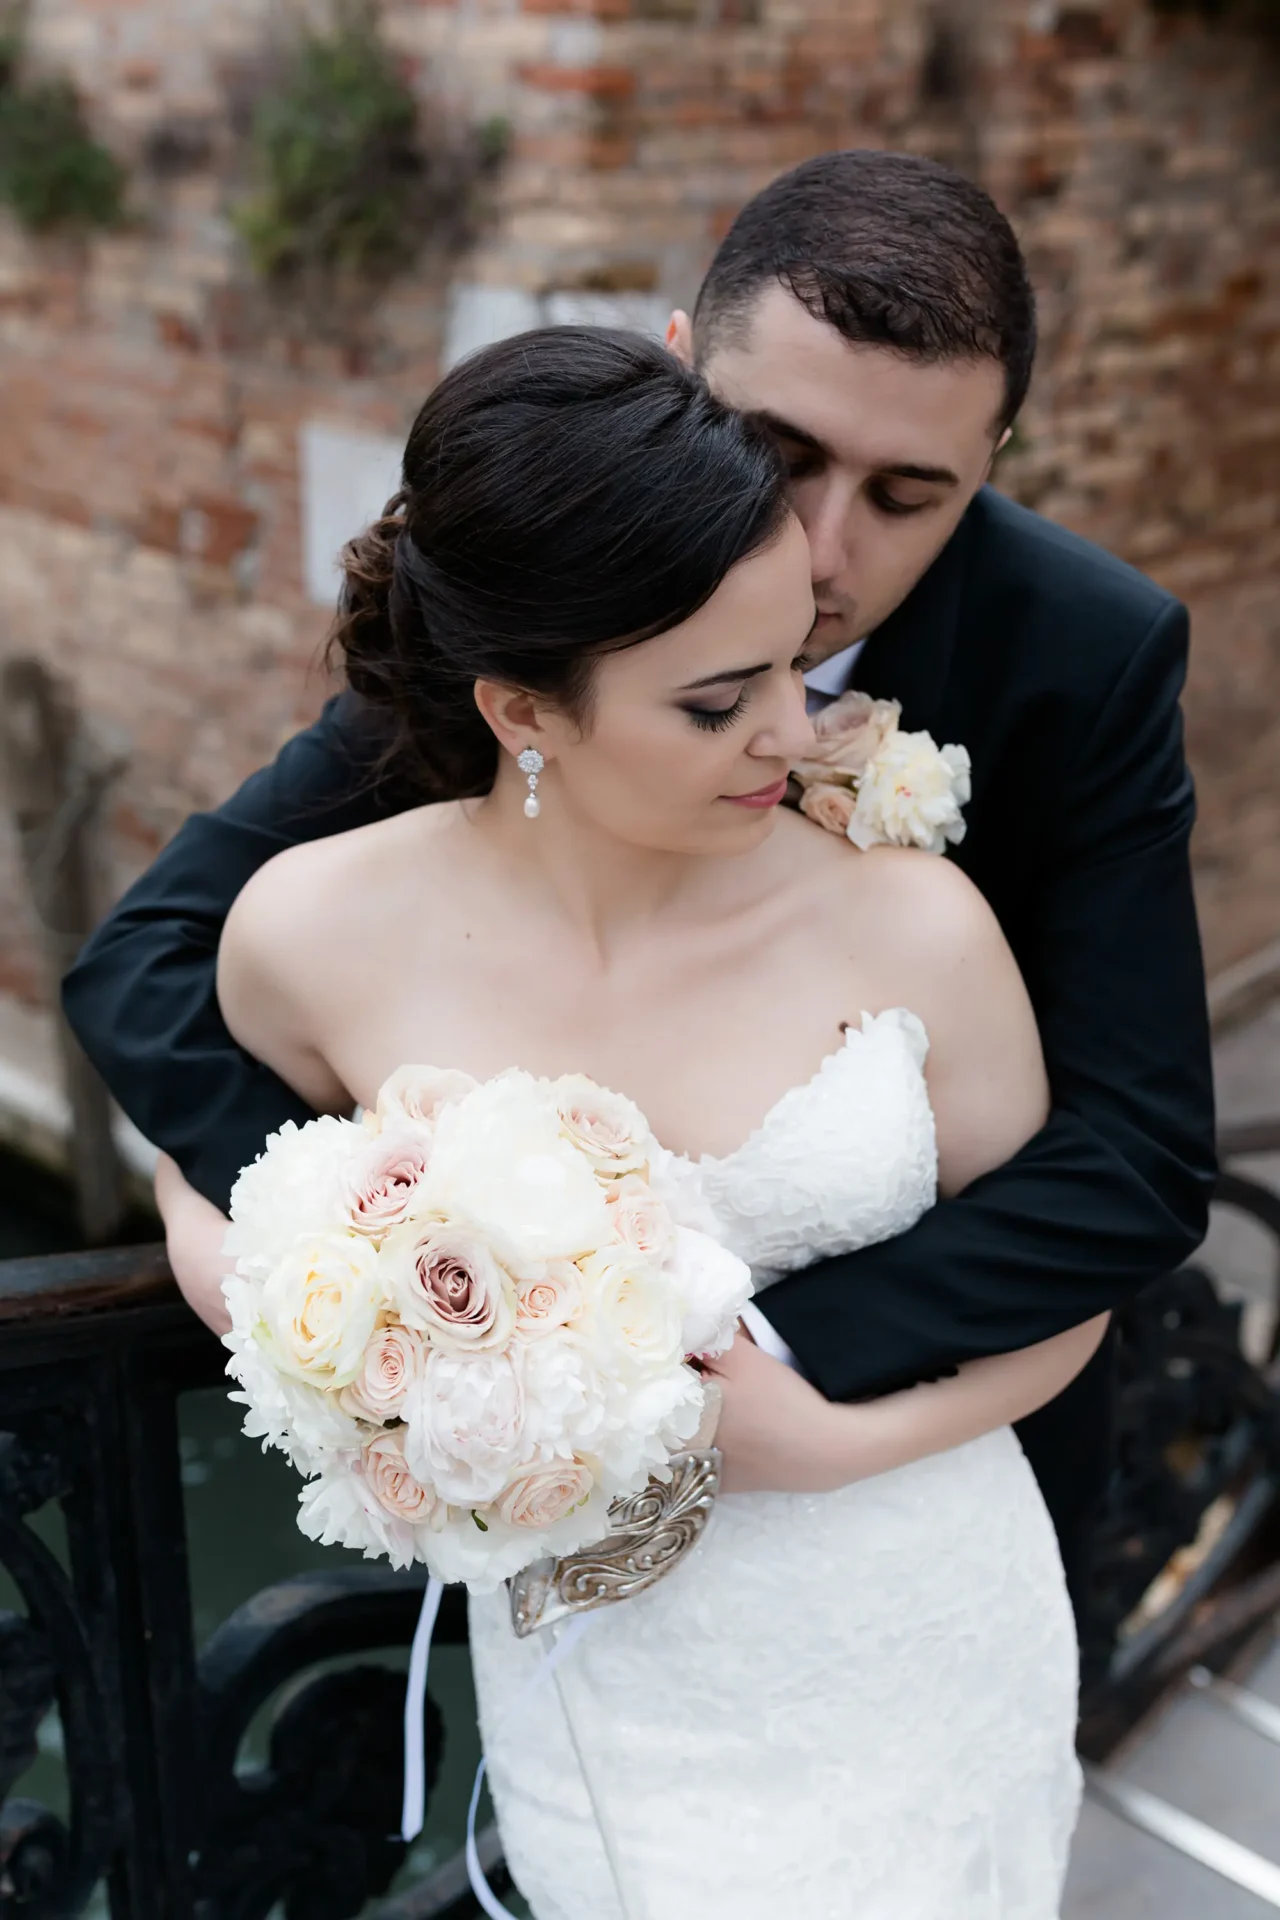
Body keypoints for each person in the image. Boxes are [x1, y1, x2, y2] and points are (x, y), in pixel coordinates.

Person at [63, 150, 1217, 1628]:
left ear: (997, 460)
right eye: (781, 454)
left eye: (911, 494)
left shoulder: (1091, 653)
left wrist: (727, 1370)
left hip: (922, 1468)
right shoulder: (571, 601)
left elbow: (1137, 1152)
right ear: (681, 367)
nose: (820, 548)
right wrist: (357, 1258)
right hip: (567, 1559)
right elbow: (147, 957)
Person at [167, 323, 1094, 1915]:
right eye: (719, 703)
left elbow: (1070, 1280)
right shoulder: (309, 934)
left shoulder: (919, 927)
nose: (797, 739)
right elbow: (218, 1175)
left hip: (925, 1631)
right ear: (526, 711)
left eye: (797, 669)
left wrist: (841, 1440)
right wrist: (326, 1305)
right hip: (606, 1695)